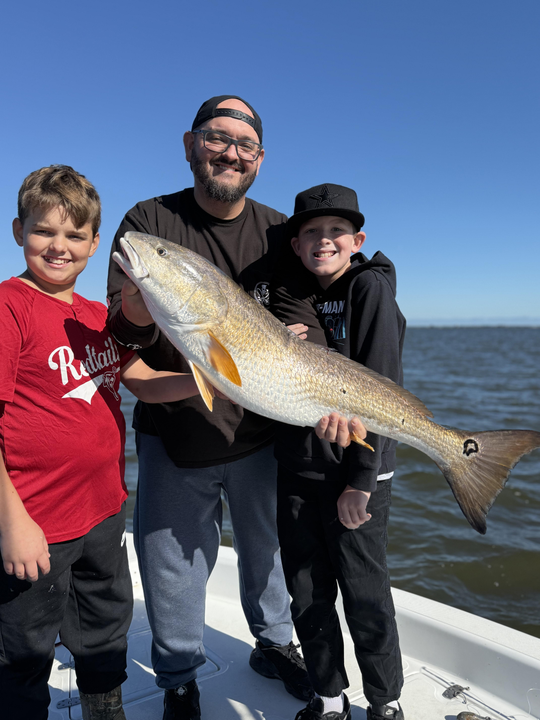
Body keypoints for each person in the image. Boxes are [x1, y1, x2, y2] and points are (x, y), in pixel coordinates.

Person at [106, 96, 364, 720]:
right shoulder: (148, 223)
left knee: (268, 548)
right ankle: (178, 679)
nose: (230, 153)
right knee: (171, 563)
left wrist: (311, 345)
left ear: (260, 158)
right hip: (177, 433)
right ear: (191, 144)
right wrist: (139, 311)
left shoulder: (280, 230)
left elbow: (306, 316)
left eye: (245, 145)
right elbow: (121, 333)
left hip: (260, 429)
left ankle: (274, 644)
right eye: (217, 138)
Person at [0, 165, 223, 720]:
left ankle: (106, 711)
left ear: (96, 244)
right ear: (16, 231)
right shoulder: (9, 308)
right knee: (23, 652)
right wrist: (13, 523)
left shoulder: (97, 314)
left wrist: (205, 381)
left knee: (105, 633)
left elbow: (137, 380)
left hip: (103, 512)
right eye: (43, 232)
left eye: (75, 236)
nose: (59, 247)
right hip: (35, 522)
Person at [272, 184, 406, 720]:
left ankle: (385, 701)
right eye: (311, 232)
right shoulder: (285, 295)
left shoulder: (370, 288)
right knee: (305, 591)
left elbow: (383, 384)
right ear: (297, 244)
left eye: (335, 231)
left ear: (357, 240)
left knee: (365, 593)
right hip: (298, 466)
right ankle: (329, 696)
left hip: (358, 474)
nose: (323, 241)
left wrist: (363, 479)